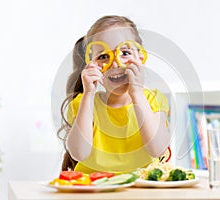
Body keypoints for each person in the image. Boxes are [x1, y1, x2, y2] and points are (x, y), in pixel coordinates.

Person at [58, 15, 171, 174]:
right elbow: (79, 153)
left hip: (142, 189)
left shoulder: (153, 100)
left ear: (140, 57)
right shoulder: (82, 103)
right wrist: (88, 94)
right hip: (94, 189)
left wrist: (137, 93)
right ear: (91, 64)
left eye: (124, 53)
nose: (115, 63)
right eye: (103, 57)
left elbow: (157, 149)